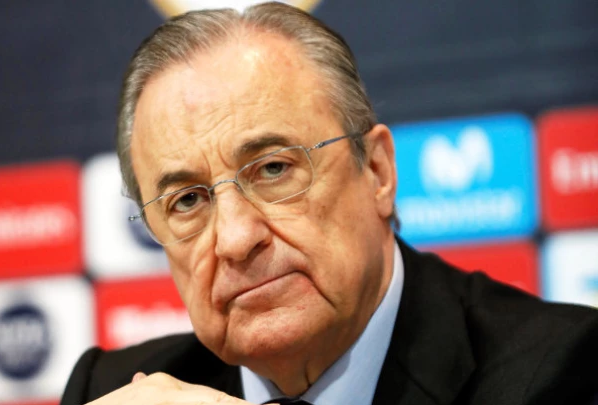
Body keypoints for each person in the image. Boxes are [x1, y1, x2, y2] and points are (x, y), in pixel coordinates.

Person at [61, 3, 598, 404]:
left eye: (273, 169)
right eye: (187, 200)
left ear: (378, 171)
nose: (236, 238)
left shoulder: (563, 373)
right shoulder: (112, 390)